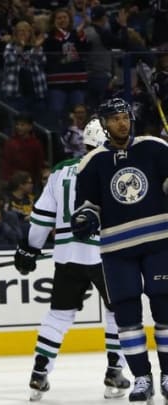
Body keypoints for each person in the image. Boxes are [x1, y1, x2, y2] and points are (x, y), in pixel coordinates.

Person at [14, 118, 130, 401]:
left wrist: (30, 248)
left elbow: (42, 217)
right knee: (118, 311)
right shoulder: (112, 166)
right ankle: (115, 370)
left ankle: (39, 373)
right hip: (104, 253)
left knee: (59, 314)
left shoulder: (60, 171)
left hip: (66, 256)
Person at [71, 97, 168, 403]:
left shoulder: (155, 147)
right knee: (126, 315)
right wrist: (85, 219)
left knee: (165, 309)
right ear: (104, 124)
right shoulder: (92, 162)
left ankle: (167, 374)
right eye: (114, 119)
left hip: (159, 243)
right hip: (117, 249)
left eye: (124, 116)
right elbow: (86, 206)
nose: (121, 123)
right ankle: (141, 377)